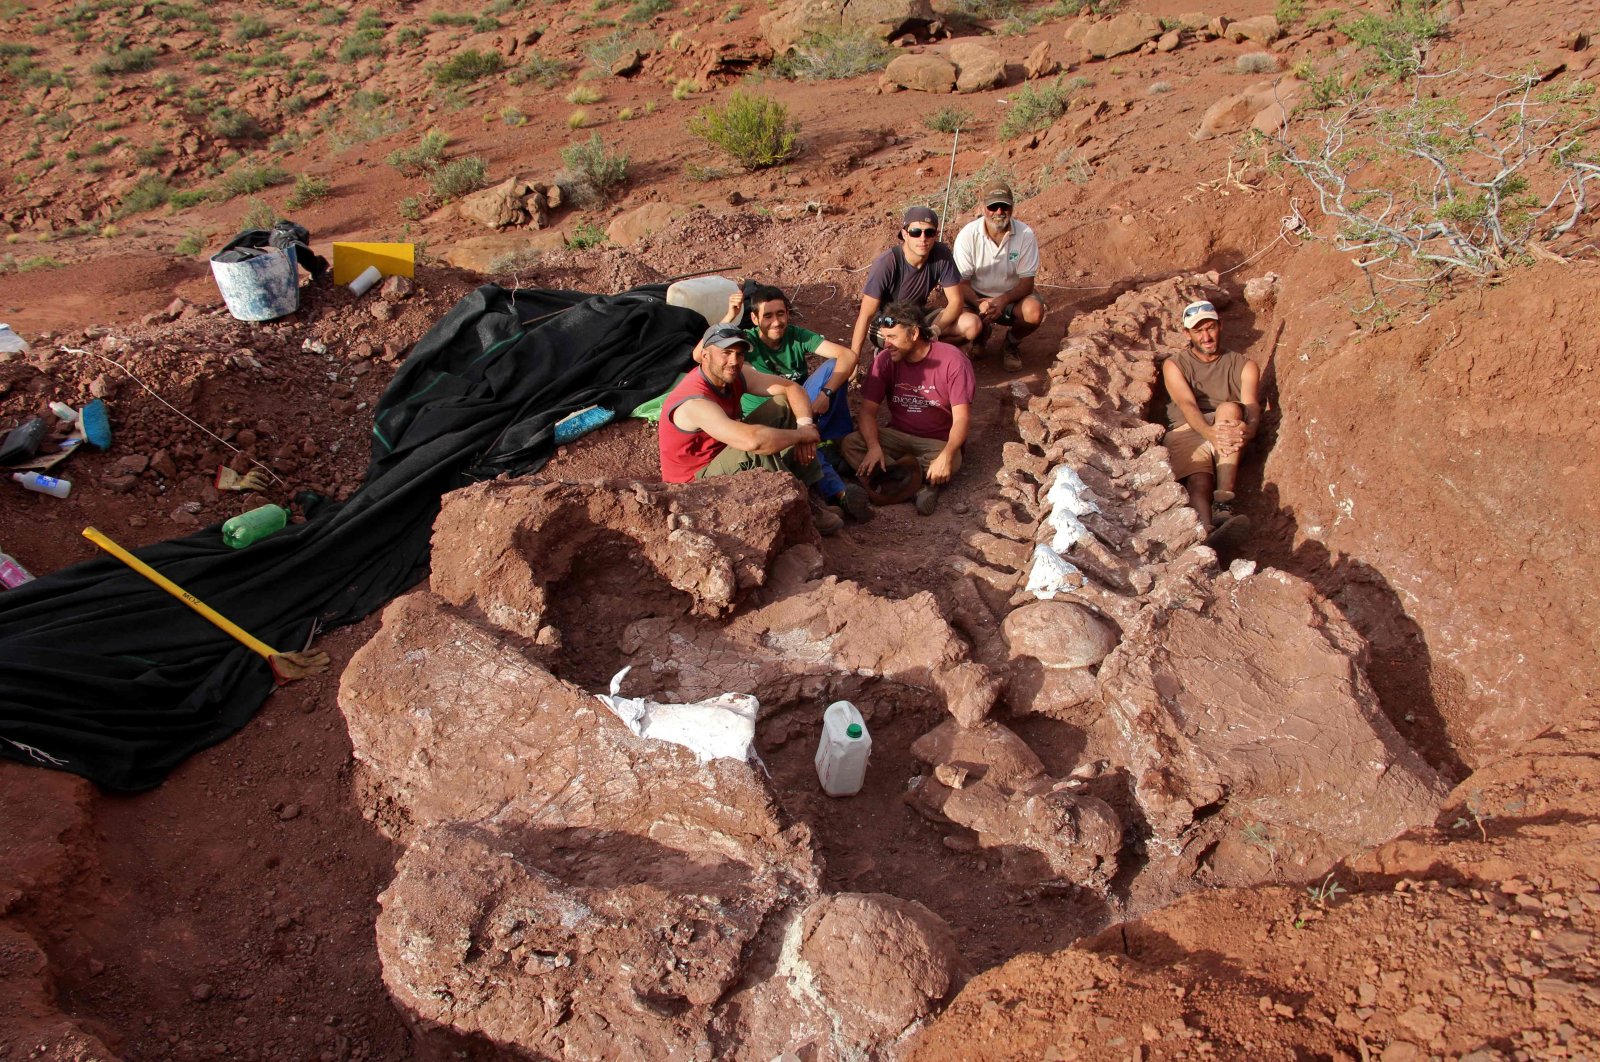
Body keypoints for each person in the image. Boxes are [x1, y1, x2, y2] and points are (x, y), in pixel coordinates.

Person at [659, 323, 857, 534]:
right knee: (755, 449)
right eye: (725, 353)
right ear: (705, 355)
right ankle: (802, 510)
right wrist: (800, 435)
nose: (734, 361)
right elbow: (753, 441)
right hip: (691, 485)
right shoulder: (695, 402)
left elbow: (792, 388)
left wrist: (805, 426)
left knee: (784, 404)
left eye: (739, 354)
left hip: (722, 456)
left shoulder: (734, 375)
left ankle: (811, 491)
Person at [721, 285, 870, 522]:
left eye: (781, 314)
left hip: (802, 409)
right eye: (768, 316)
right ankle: (837, 491)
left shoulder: (796, 335)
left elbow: (848, 356)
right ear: (754, 318)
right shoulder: (745, 342)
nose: (776, 322)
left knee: (834, 367)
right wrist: (730, 317)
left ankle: (830, 441)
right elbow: (707, 352)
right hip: (771, 415)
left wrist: (826, 394)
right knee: (796, 424)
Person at [841, 301, 975, 516]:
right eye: (885, 338)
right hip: (897, 435)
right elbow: (867, 411)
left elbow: (962, 419)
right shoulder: (884, 361)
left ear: (913, 333)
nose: (886, 345)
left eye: (892, 337)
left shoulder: (953, 360)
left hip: (935, 441)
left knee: (952, 458)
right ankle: (919, 488)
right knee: (852, 444)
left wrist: (947, 454)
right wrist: (874, 446)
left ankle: (884, 479)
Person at [1162, 299, 1261, 549]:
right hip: (1187, 429)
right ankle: (1207, 533)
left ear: (1220, 326)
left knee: (1228, 408)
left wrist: (1249, 431)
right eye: (1198, 331)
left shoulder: (1244, 365)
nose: (1206, 336)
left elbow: (1251, 406)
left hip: (1227, 427)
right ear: (1187, 334)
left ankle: (1224, 503)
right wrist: (1209, 433)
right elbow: (1187, 405)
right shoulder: (1174, 364)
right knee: (1199, 481)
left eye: (1210, 328)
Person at [849, 207, 979, 361]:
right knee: (911, 339)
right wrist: (853, 359)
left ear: (935, 235)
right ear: (905, 234)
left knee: (972, 325)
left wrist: (936, 329)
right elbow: (865, 315)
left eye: (929, 233)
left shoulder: (941, 254)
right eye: (916, 232)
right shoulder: (887, 264)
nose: (922, 238)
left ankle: (930, 354)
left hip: (918, 315)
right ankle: (892, 354)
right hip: (887, 321)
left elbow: (956, 301)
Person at [951, 181, 1047, 372]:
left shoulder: (1025, 234)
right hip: (976, 297)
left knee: (1034, 311)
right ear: (982, 207)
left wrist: (1003, 300)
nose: (999, 211)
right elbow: (961, 283)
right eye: (993, 206)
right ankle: (980, 336)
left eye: (1005, 206)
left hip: (1011, 297)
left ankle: (1011, 343)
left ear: (1012, 206)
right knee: (962, 321)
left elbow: (1027, 283)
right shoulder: (967, 236)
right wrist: (980, 304)